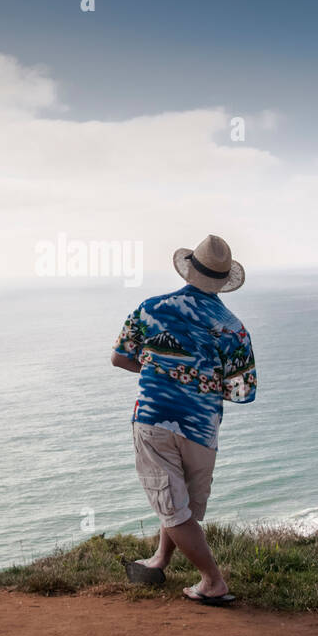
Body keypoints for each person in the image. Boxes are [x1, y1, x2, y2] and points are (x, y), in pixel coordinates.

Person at [110, 234, 257, 605]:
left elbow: (120, 357)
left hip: (155, 420)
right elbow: (243, 392)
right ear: (224, 281)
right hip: (202, 430)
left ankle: (212, 582)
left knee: (174, 507)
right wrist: (201, 386)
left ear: (189, 268)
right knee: (178, 503)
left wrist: (160, 371)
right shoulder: (234, 327)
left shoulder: (150, 308)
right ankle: (160, 560)